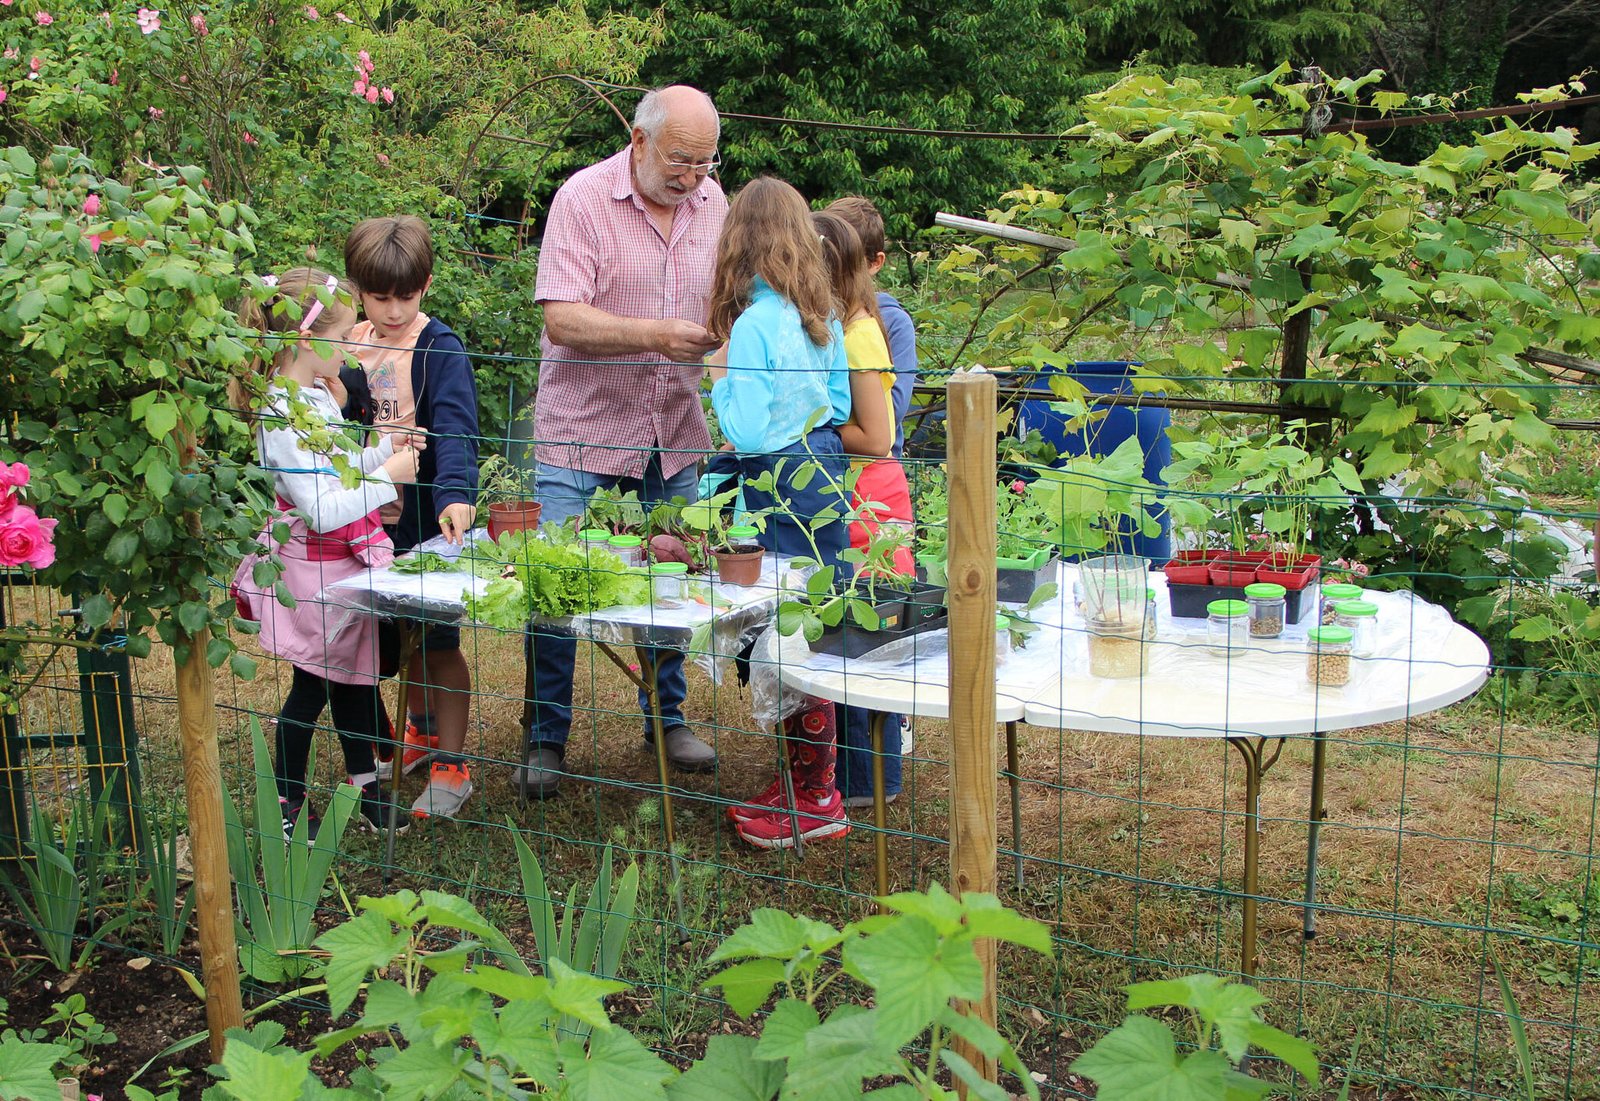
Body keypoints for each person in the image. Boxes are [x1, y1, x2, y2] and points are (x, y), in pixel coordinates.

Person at [519, 85, 727, 800]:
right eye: (680, 160)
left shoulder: (715, 204)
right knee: (556, 585)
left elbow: (729, 302)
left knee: (671, 581)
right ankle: (546, 735)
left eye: (705, 162)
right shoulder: (582, 199)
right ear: (639, 141)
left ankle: (667, 719)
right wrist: (657, 335)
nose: (692, 177)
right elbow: (562, 318)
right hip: (583, 432)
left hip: (673, 430)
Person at [229, 268, 423, 839]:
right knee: (312, 688)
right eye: (342, 338)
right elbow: (320, 509)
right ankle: (288, 807)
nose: (350, 349)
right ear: (307, 339)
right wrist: (389, 478)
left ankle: (366, 793)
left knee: (355, 681)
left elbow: (336, 470)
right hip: (312, 569)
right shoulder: (283, 415)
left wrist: (383, 450)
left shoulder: (312, 397)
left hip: (340, 567)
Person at [703, 176, 856, 849]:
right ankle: (805, 782)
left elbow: (748, 432)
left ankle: (818, 797)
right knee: (812, 624)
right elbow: (840, 408)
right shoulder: (822, 318)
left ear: (739, 244)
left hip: (777, 481)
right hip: (823, 470)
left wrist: (719, 379)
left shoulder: (753, 326)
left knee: (786, 630)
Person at [344, 215, 480, 820]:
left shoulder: (439, 348)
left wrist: (454, 493)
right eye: (380, 297)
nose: (394, 310)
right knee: (370, 641)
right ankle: (410, 733)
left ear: (426, 285)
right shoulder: (346, 344)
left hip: (423, 519)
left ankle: (452, 764)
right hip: (356, 519)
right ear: (358, 291)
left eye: (407, 295)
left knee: (435, 639)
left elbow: (455, 427)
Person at [822, 197, 920, 807]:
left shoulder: (864, 334)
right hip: (859, 492)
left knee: (866, 634)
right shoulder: (847, 328)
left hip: (869, 497)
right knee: (851, 630)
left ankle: (868, 781)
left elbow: (879, 435)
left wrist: (811, 426)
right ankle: (857, 776)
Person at [825, 197, 920, 457]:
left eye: (846, 259)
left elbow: (892, 410)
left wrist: (810, 425)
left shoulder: (893, 323)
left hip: (869, 466)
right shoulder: (814, 315)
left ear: (875, 262)